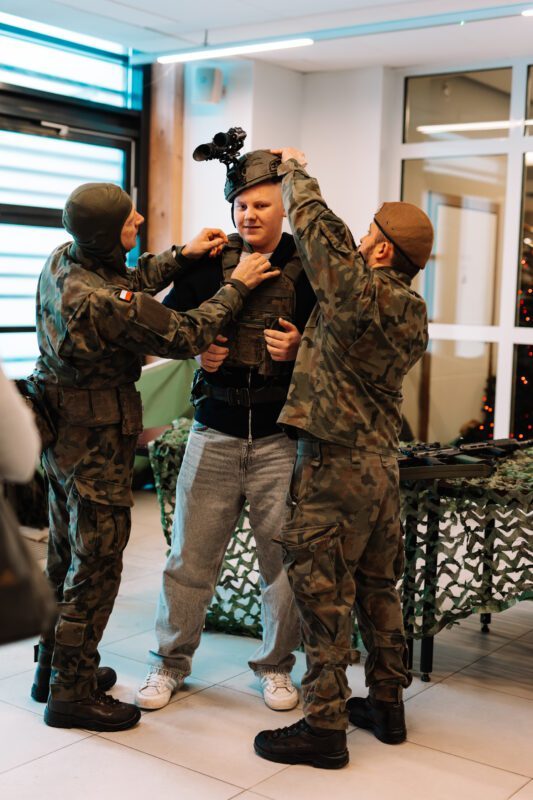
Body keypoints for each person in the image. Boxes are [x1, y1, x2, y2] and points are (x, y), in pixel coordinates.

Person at [30, 181, 279, 733]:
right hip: (94, 445)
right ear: (105, 234)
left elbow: (127, 282)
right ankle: (72, 694)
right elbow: (186, 333)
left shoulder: (65, 259)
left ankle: (54, 668)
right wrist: (237, 285)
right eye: (128, 218)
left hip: (60, 436)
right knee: (96, 565)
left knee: (64, 555)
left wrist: (181, 256)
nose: (139, 219)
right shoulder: (97, 302)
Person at [254, 149, 433, 769]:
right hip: (381, 468)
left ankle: (324, 726)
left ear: (381, 249)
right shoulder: (412, 311)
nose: (359, 240)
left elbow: (316, 230)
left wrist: (295, 173)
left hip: (333, 467)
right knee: (380, 588)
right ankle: (387, 705)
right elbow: (350, 349)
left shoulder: (358, 289)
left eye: (369, 234)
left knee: (323, 593)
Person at [135, 149, 316, 712]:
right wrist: (197, 351)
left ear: (283, 207)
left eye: (260, 204)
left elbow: (341, 341)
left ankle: (276, 667)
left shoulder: (310, 264)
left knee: (281, 566)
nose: (248, 215)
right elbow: (166, 329)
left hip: (280, 438)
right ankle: (169, 663)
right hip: (212, 431)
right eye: (241, 205)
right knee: (189, 559)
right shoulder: (209, 262)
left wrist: (301, 348)